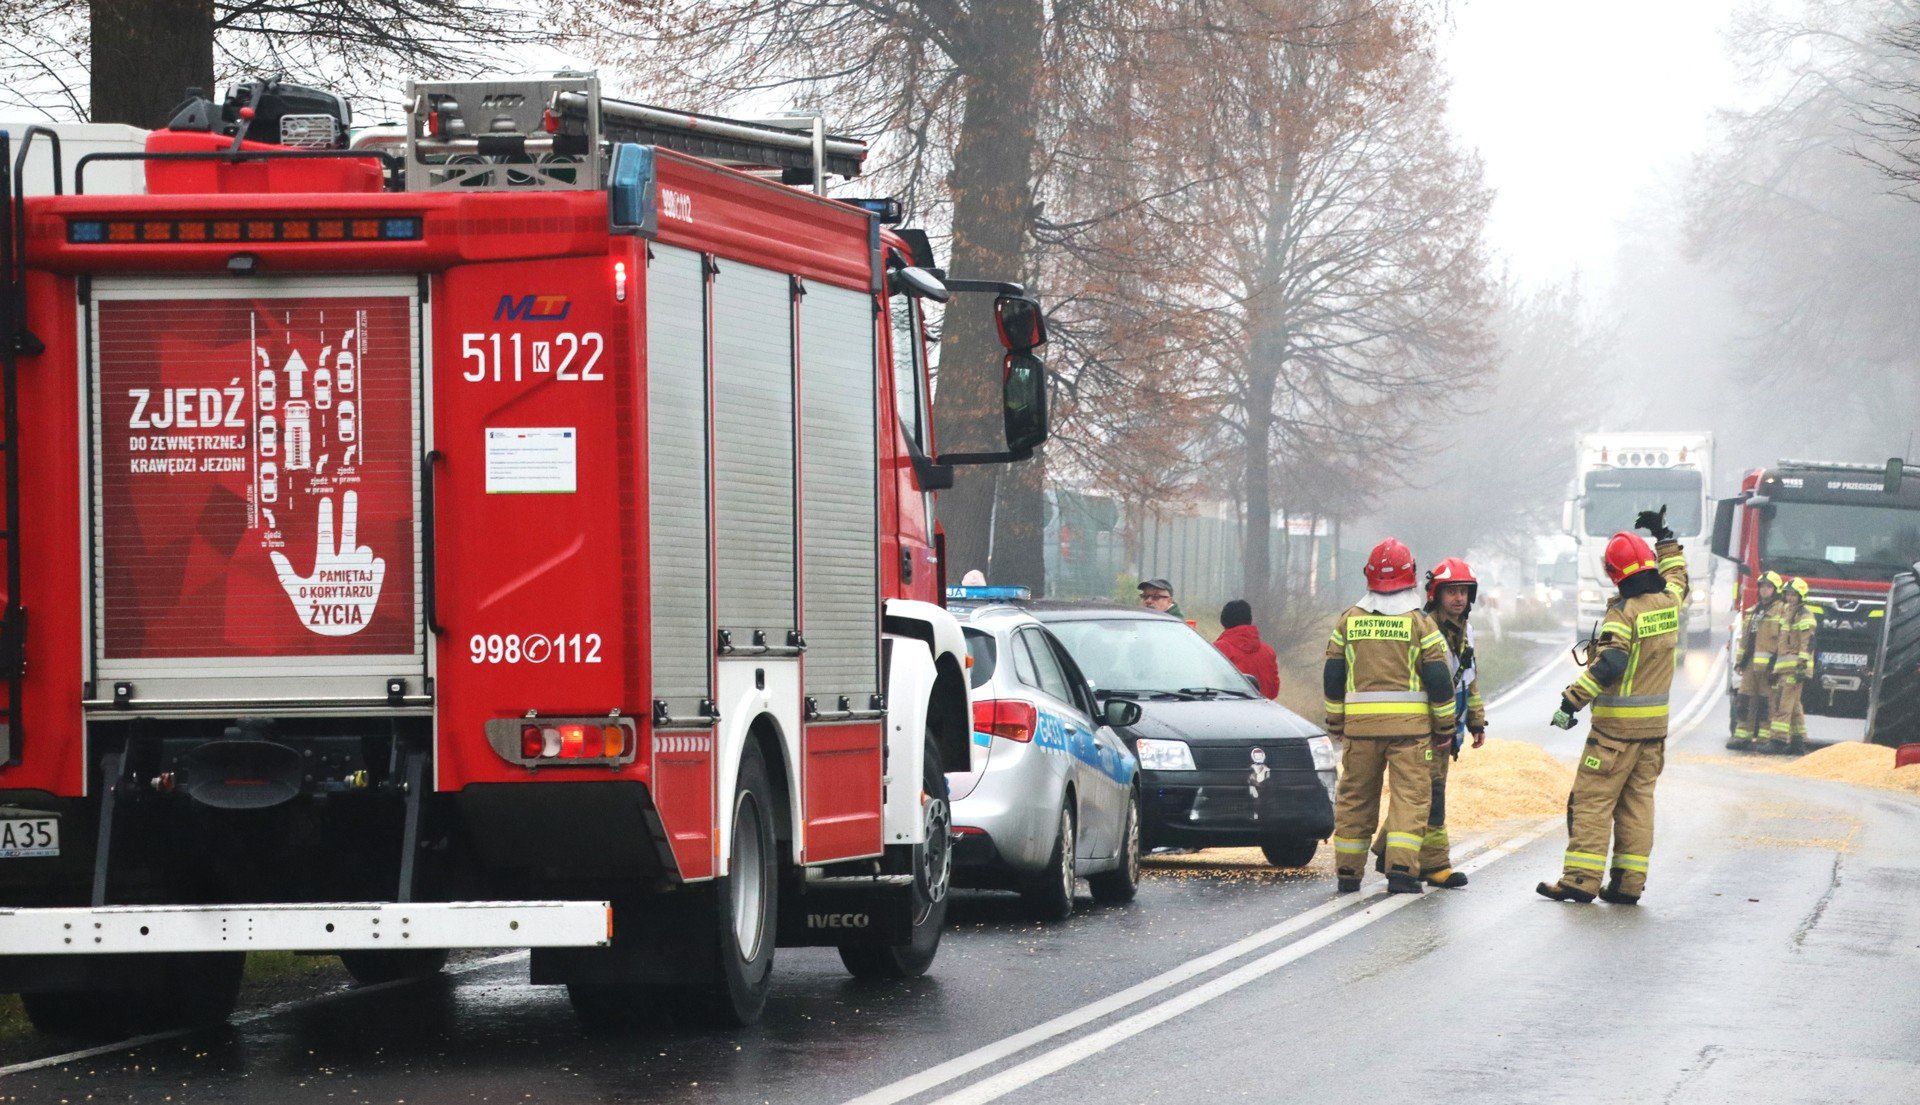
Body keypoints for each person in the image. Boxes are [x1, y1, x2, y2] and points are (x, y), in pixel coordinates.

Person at [1538, 507, 1688, 905]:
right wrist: (1666, 537)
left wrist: (1571, 701)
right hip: (1653, 733)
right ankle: (1627, 885)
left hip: (1613, 734)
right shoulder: (1669, 603)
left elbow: (1611, 664)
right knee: (1638, 805)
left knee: (1592, 801)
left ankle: (1580, 880)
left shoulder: (1623, 614)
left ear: (1613, 574)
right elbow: (1678, 577)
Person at [1325, 538, 1457, 895]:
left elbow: (1333, 675)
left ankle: (1348, 872)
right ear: (1410, 576)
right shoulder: (1419, 624)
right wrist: (1445, 726)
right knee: (1410, 798)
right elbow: (1439, 680)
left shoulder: (1348, 621)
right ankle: (1400, 870)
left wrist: (1336, 722)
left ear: (1368, 574)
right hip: (1410, 733)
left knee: (1355, 796)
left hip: (1361, 731)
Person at [1370, 557, 1485, 888]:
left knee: (1421, 794)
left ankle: (1386, 852)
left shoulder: (1467, 632)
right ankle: (1435, 865)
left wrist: (1476, 721)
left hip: (1450, 726)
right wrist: (1441, 726)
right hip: (1428, 726)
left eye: (1464, 592)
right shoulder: (1425, 628)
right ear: (1436, 594)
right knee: (1430, 796)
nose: (1458, 599)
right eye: (1451, 592)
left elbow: (1470, 681)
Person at [1728, 570, 1783, 751]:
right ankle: (1742, 735)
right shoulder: (1753, 612)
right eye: (1762, 587)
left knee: (1765, 702)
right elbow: (1745, 641)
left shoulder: (1781, 612)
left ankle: (1764, 738)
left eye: (1768, 587)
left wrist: (1777, 664)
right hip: (1750, 665)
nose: (1764, 590)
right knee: (1744, 698)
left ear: (1775, 590)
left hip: (1769, 667)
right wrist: (1740, 661)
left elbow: (1783, 640)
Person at [1767, 577, 1817, 754]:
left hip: (1795, 668)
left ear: (1801, 596)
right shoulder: (1788, 612)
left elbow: (1807, 643)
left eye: (1794, 595)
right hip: (1785, 667)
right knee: (1794, 706)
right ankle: (1798, 742)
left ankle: (1778, 740)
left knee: (1783, 703)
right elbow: (1781, 642)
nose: (1790, 598)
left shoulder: (1805, 615)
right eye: (1788, 594)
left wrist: (1801, 667)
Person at [1214, 599, 1280, 699]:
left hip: (1230, 711)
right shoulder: (1268, 651)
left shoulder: (1219, 649)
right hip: (1264, 711)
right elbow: (1273, 691)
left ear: (1223, 621)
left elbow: (1210, 686)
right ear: (1249, 619)